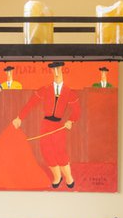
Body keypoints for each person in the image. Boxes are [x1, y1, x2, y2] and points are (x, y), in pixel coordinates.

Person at [13, 61, 80, 189]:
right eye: (53, 69)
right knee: (47, 151)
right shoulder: (45, 89)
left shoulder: (69, 92)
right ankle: (57, 177)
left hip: (59, 126)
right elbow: (31, 104)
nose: (55, 72)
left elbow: (76, 111)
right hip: (46, 124)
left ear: (62, 70)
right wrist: (19, 117)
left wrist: (71, 120)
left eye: (58, 69)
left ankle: (69, 177)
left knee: (60, 152)